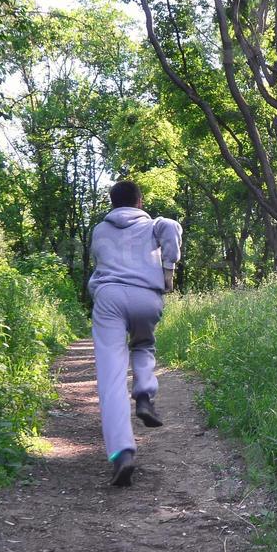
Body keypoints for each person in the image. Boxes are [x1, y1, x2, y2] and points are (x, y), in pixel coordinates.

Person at [86, 180, 182, 486]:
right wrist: (168, 268)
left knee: (111, 377)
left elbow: (98, 264)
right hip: (146, 296)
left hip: (110, 297)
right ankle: (144, 394)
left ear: (113, 204)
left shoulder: (100, 230)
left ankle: (122, 452)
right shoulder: (153, 225)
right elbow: (171, 225)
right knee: (143, 344)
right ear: (139, 202)